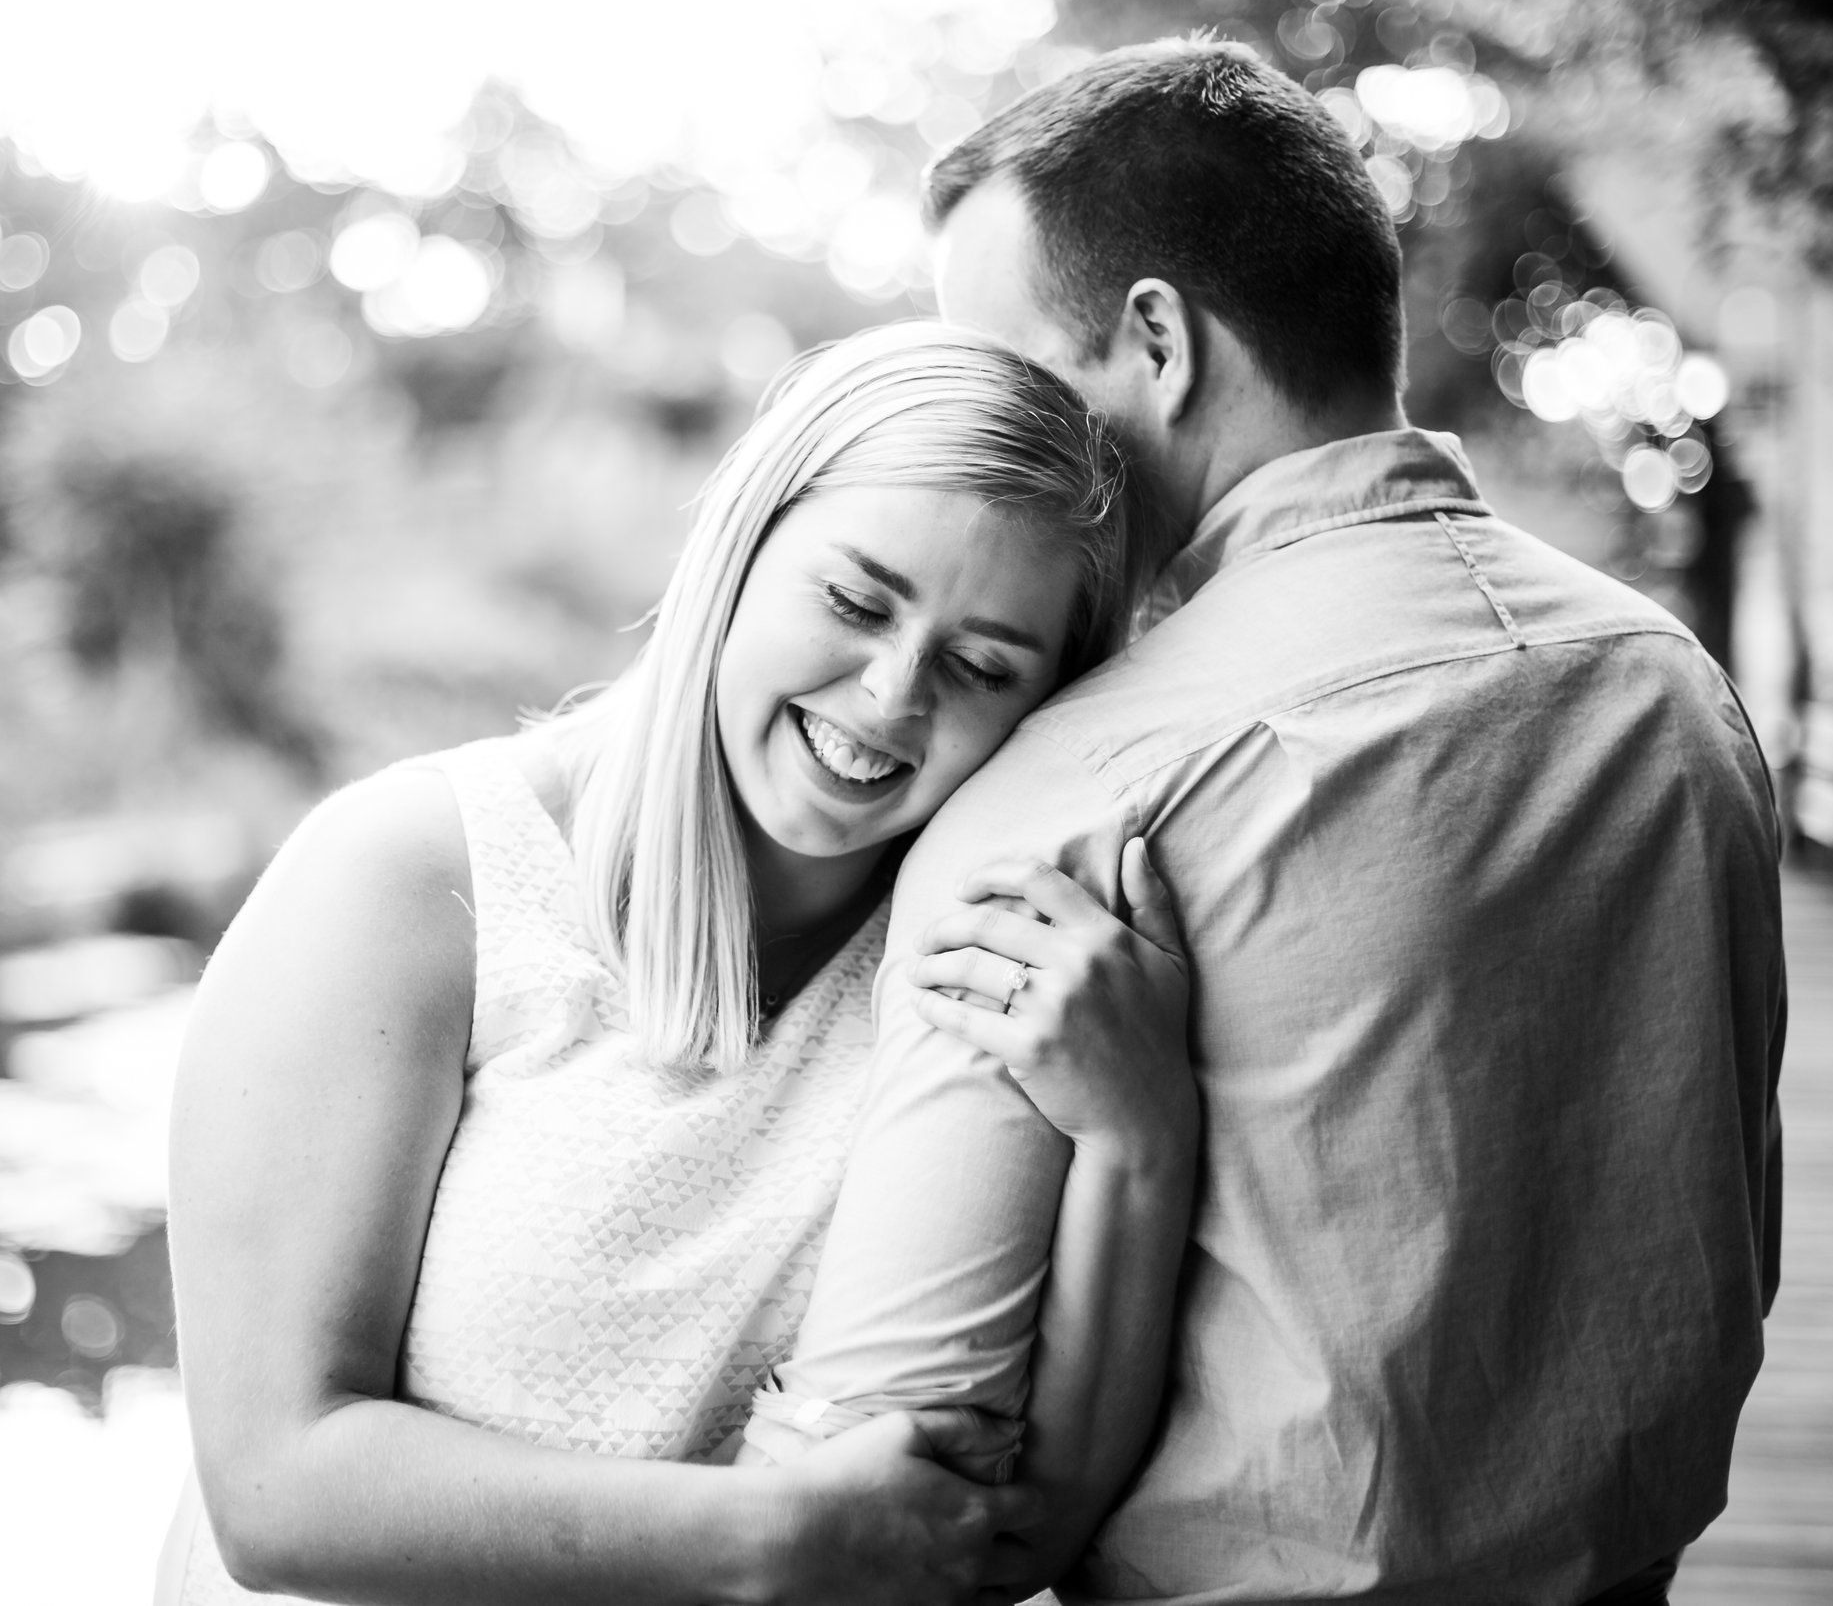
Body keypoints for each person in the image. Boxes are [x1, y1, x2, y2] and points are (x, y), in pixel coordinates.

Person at [757, 40, 1786, 1605]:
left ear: (1156, 341)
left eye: (1021, 371)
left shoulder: (1072, 787)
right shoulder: (1675, 695)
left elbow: (897, 1477)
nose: (1001, 429)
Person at [161, 320, 1198, 1606]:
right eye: (854, 600)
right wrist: (761, 1537)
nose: (888, 695)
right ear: (740, 546)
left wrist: (1141, 1138)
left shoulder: (977, 957)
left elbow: (1001, 1529)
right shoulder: (408, 877)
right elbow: (273, 1490)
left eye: (981, 664)